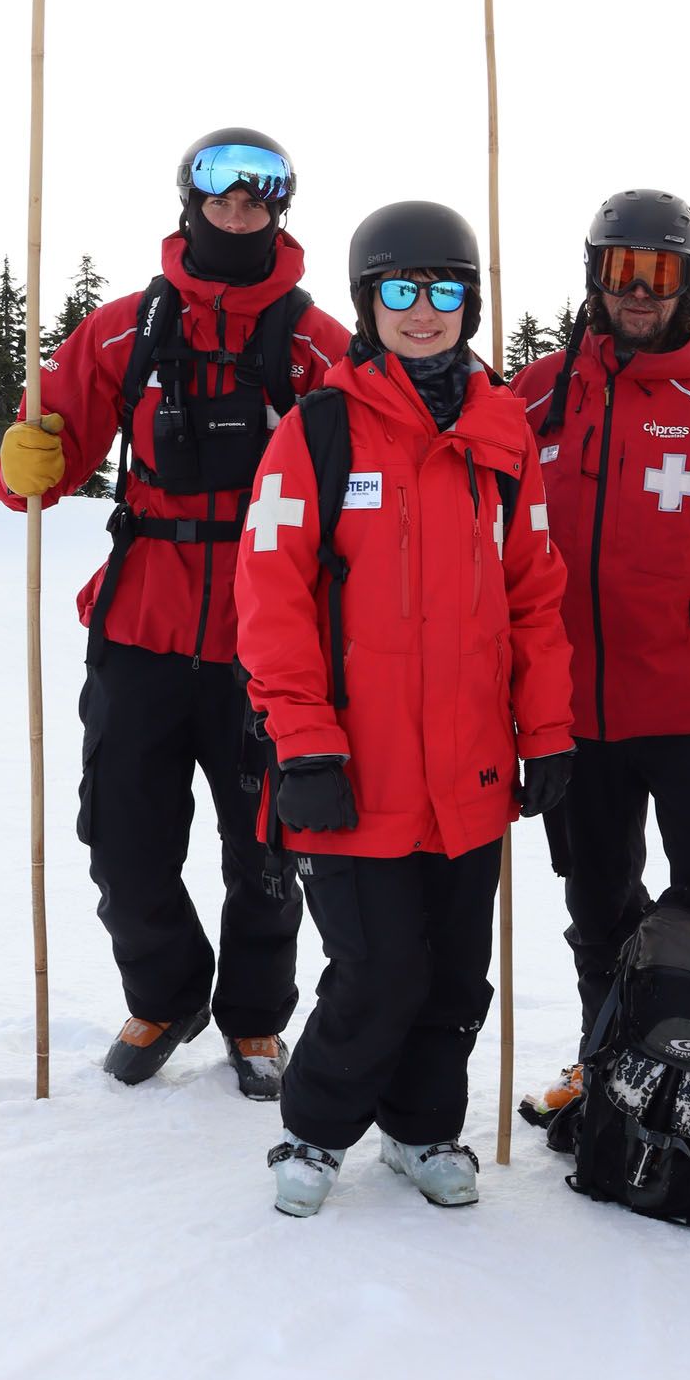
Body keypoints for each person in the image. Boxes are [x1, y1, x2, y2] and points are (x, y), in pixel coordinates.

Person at [234, 200, 574, 1216]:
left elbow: (536, 598)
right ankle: (316, 1128)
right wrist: (304, 744)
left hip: (469, 771)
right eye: (400, 291)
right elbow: (271, 599)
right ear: (367, 301)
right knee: (378, 969)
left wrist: (547, 733)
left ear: (468, 303)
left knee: (458, 978)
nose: (423, 312)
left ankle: (424, 1130)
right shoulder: (318, 433)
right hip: (354, 769)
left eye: (444, 292)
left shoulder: (503, 435)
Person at [0, 129, 350, 1096]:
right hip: (140, 621)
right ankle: (165, 992)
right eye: (219, 191)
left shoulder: (319, 343)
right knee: (123, 833)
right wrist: (23, 460)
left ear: (281, 207)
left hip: (270, 633)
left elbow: (383, 455)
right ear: (188, 199)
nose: (238, 210)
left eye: (259, 194)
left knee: (267, 844)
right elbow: (54, 447)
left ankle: (253, 1021)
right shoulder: (123, 329)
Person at [509, 188, 690, 1122]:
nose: (639, 291)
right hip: (574, 718)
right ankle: (609, 1072)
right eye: (621, 268)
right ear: (594, 275)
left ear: (689, 282)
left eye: (659, 272)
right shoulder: (538, 394)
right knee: (598, 909)